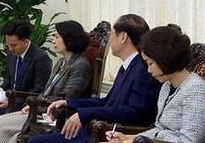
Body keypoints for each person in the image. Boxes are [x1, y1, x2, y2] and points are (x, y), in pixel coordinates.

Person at [29, 14, 162, 143]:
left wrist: (85, 114)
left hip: (110, 134)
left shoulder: (143, 69)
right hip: (97, 129)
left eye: (111, 34)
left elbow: (135, 112)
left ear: (123, 37)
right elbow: (107, 102)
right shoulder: (129, 66)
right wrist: (69, 103)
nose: (110, 40)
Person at [0, 20, 94, 143]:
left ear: (68, 39)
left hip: (52, 118)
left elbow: (64, 100)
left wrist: (36, 106)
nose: (53, 40)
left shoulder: (80, 65)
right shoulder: (61, 62)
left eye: (56, 36)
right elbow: (46, 91)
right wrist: (31, 105)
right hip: (40, 111)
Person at [106, 25, 205, 143]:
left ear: (164, 58)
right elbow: (159, 129)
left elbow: (190, 140)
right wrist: (128, 138)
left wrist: (141, 141)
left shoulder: (195, 89)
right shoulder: (166, 86)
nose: (148, 70)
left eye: (150, 63)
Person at [0, 21, 53, 143]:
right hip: (10, 100)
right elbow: (9, 78)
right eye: (8, 44)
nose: (10, 48)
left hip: (25, 104)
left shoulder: (40, 58)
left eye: (14, 45)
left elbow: (39, 90)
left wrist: (10, 102)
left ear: (26, 41)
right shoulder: (11, 54)